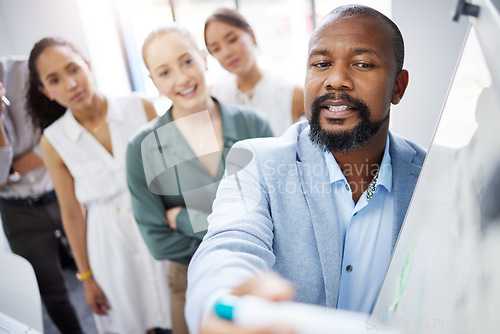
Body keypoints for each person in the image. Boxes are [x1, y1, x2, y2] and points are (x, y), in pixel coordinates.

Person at [185, 4, 427, 333]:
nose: (336, 79)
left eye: (362, 63)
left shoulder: (431, 175)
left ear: (398, 86)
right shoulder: (256, 162)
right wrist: (222, 299)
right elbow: (228, 243)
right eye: (321, 63)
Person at [126, 24, 273, 334]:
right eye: (164, 73)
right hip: (189, 281)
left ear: (203, 59)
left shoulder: (252, 124)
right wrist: (238, 231)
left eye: (187, 61)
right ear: (153, 81)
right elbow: (157, 240)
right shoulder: (142, 147)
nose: (181, 79)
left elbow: (279, 211)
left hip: (260, 275)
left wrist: (184, 219)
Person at [26, 37, 172, 334]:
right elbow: (71, 211)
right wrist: (87, 277)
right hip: (109, 242)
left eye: (73, 69)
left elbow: (174, 175)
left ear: (88, 66)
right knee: (133, 323)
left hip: (159, 225)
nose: (70, 84)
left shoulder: (140, 107)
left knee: (182, 312)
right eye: (55, 80)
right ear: (46, 91)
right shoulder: (54, 140)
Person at [0, 57, 85, 333]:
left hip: (61, 190)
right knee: (52, 291)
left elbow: (65, 128)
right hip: (18, 211)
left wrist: (17, 167)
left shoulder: (27, 70)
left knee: (104, 264)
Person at [204, 8, 305, 136]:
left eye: (232, 40)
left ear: (251, 35)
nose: (226, 53)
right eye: (216, 49)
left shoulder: (291, 93)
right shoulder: (213, 95)